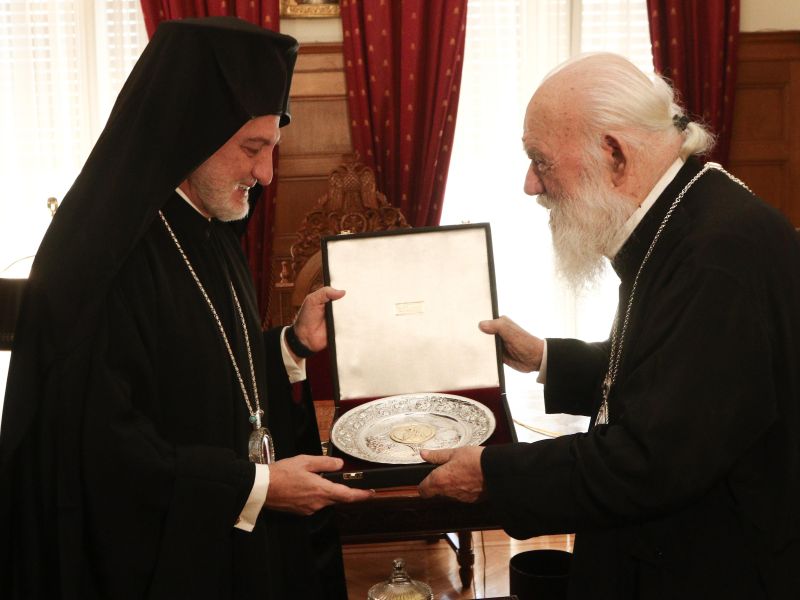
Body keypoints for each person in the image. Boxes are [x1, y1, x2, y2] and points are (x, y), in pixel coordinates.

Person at [0, 17, 371, 600]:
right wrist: (253, 487)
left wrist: (289, 345)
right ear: (191, 130)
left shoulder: (212, 226)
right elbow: (99, 451)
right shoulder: (106, 257)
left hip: (224, 546)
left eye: (272, 149)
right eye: (252, 148)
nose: (266, 174)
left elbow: (207, 376)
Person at [419, 52, 800, 598]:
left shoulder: (718, 252)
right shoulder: (683, 214)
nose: (530, 185)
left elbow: (652, 459)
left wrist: (493, 474)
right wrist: (545, 357)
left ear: (614, 154)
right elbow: (666, 378)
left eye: (540, 161)